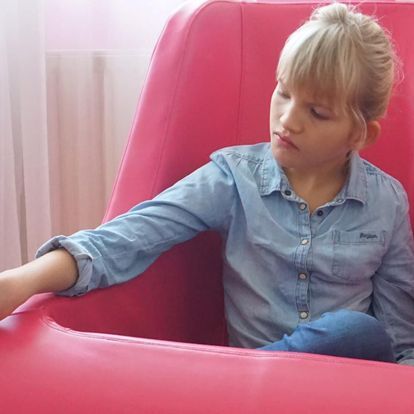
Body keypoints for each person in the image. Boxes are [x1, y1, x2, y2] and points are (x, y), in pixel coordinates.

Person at [1, 2, 413, 365]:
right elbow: (127, 238)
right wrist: (21, 281)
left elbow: (400, 342)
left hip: (342, 389)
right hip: (250, 388)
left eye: (317, 112)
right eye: (283, 93)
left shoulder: (386, 202)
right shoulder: (234, 178)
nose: (287, 120)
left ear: (360, 135)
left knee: (356, 331)